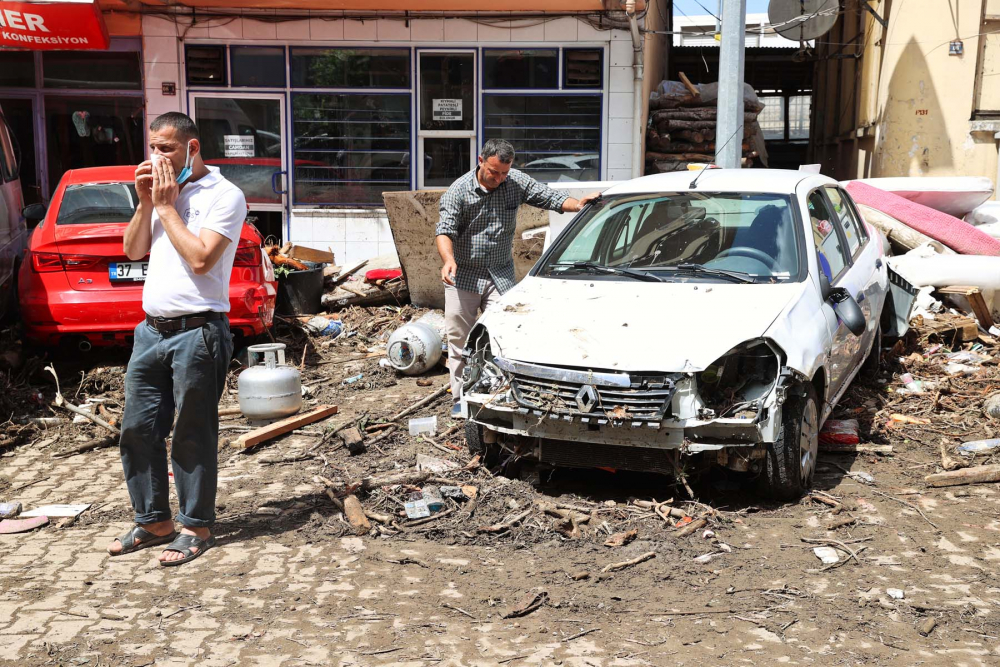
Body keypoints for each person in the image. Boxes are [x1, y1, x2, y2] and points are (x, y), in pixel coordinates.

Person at [107, 112, 246, 566]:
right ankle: (153, 521)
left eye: (165, 148)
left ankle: (195, 526)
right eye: (152, 147)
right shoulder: (157, 193)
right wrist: (146, 202)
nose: (156, 157)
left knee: (192, 433)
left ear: (192, 147)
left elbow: (203, 259)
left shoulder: (225, 195)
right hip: (150, 331)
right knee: (137, 429)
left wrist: (167, 206)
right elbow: (132, 250)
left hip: (198, 333)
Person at [435, 138, 600, 417]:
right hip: (462, 276)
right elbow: (445, 230)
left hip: (500, 275)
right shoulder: (458, 192)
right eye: (493, 172)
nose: (498, 179)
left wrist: (576, 204)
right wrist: (448, 260)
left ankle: (501, 394)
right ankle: (462, 398)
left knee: (504, 336)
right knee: (459, 340)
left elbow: (549, 196)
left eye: (503, 173)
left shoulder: (515, 181)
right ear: (480, 161)